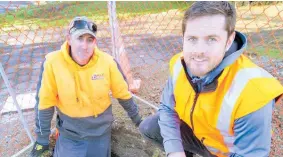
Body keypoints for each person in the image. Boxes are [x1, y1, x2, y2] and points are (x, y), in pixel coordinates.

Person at [139, 1, 283, 157]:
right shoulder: (179, 65)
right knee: (150, 127)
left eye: (211, 39)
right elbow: (167, 109)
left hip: (226, 152)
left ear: (229, 41)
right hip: (200, 135)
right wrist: (175, 151)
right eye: (192, 39)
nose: (199, 51)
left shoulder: (253, 92)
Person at [30, 16, 142, 157]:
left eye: (90, 40)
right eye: (79, 38)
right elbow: (44, 104)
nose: (84, 46)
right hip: (70, 135)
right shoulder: (52, 63)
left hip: (99, 132)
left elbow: (123, 94)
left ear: (95, 42)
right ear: (69, 39)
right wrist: (42, 140)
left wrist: (139, 122)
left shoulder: (107, 62)